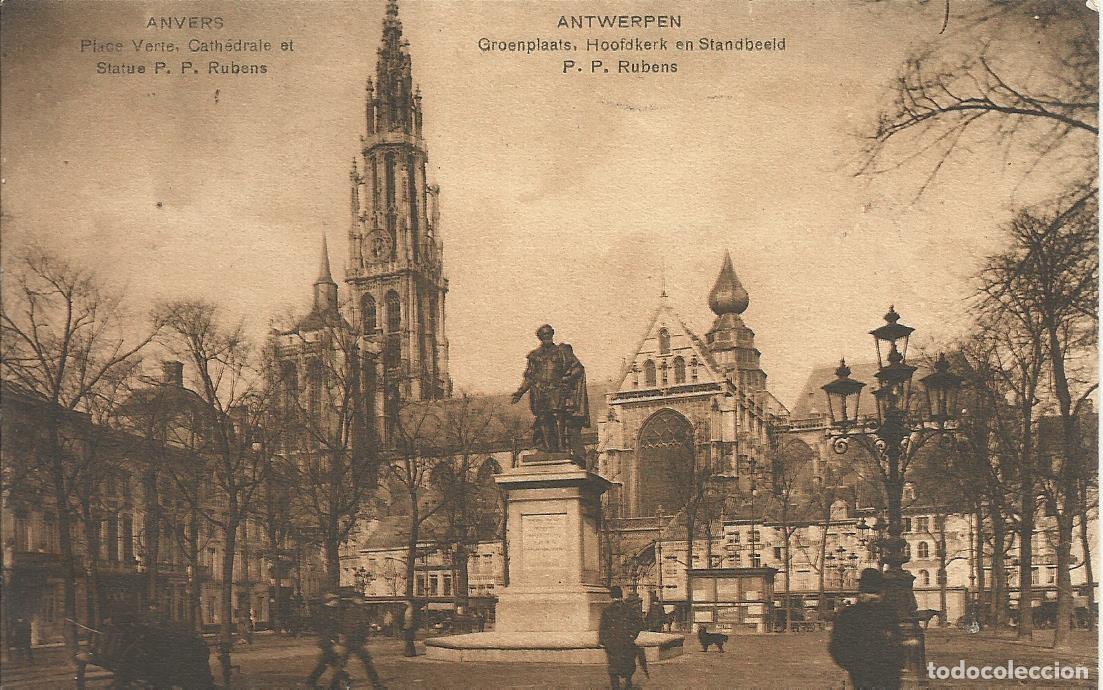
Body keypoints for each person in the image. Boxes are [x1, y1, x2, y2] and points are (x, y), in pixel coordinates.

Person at [829, 568, 905, 690]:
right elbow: (897, 642)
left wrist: (853, 666)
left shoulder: (848, 614)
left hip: (865, 674)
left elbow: (837, 647)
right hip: (883, 674)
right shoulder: (888, 612)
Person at [599, 586, 645, 690]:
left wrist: (603, 641)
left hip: (612, 643)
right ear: (621, 595)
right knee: (628, 663)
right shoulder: (629, 608)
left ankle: (615, 686)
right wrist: (632, 635)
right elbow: (639, 623)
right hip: (626, 641)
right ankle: (628, 683)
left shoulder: (607, 610)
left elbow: (603, 627)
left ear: (611, 596)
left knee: (613, 665)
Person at [341, 594, 386, 689]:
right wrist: (367, 629)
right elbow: (353, 626)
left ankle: (376, 684)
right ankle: (376, 684)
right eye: (361, 599)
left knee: (344, 663)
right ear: (355, 600)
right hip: (353, 641)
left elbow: (362, 624)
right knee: (366, 663)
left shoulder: (357, 611)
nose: (363, 601)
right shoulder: (353, 612)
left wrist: (370, 627)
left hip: (354, 641)